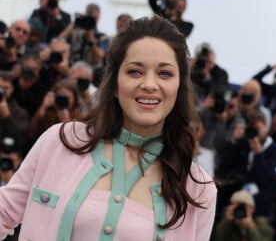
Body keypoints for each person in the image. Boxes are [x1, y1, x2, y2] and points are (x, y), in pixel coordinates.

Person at [0, 15, 217, 240]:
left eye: (165, 73)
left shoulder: (199, 190)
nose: (149, 85)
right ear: (114, 84)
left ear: (179, 87)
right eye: (135, 71)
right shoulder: (61, 141)